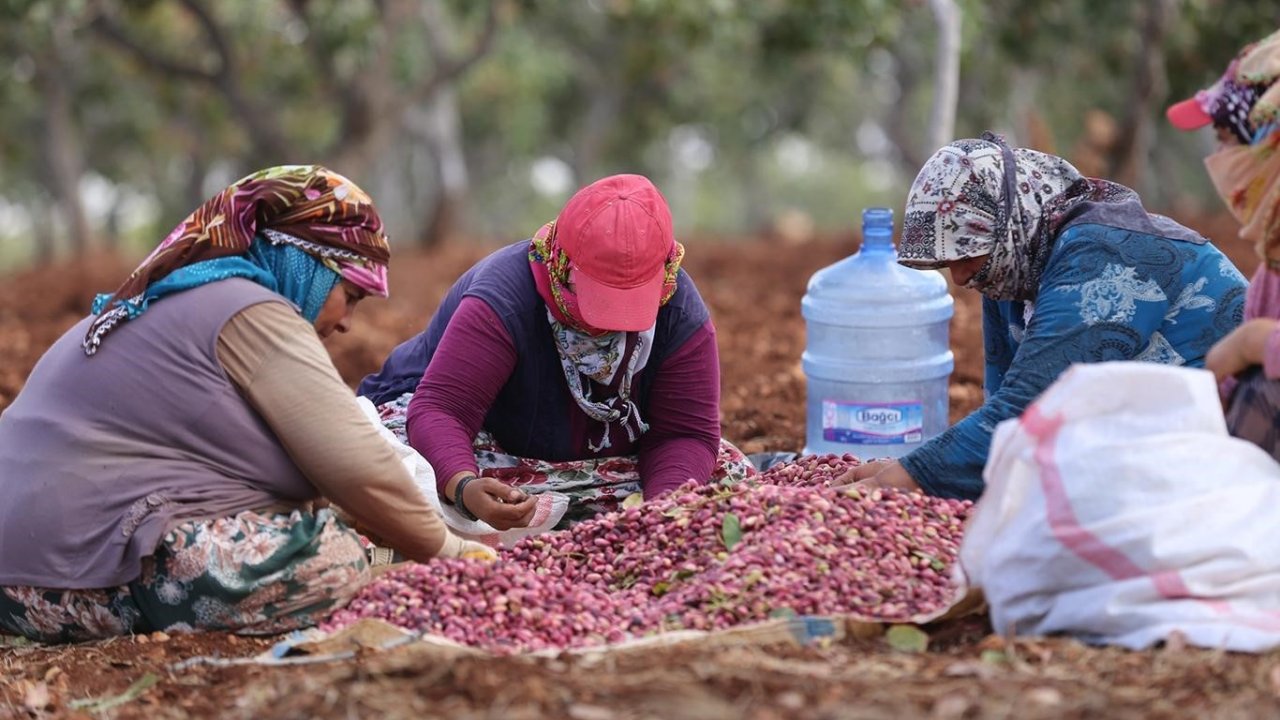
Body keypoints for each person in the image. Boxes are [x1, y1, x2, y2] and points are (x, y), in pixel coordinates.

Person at [0, 165, 491, 644]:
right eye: (350, 295)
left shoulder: (172, 298)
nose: (346, 323)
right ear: (305, 263)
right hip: (60, 579)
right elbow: (356, 463)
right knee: (331, 560)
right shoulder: (250, 309)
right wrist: (450, 551)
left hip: (20, 572)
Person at [837, 135, 1248, 499]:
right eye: (949, 261)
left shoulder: (1105, 251)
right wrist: (912, 470)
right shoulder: (1013, 269)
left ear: (1007, 225)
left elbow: (1032, 410)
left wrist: (906, 478)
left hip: (1235, 439)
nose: (960, 276)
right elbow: (1003, 412)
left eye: (966, 253)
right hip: (1144, 438)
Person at [359, 174, 754, 528]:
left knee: (725, 472)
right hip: (479, 440)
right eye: (601, 300)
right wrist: (462, 486)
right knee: (397, 472)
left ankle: (582, 515)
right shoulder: (505, 298)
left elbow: (684, 432)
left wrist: (660, 515)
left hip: (589, 460)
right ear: (562, 265)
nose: (614, 324)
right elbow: (443, 409)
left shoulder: (679, 310)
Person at [1168, 29, 1280, 460]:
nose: (1217, 159)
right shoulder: (1273, 258)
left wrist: (1253, 343)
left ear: (1268, 145)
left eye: (1226, 138)